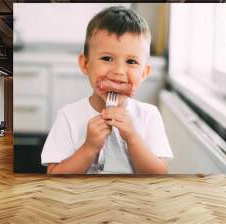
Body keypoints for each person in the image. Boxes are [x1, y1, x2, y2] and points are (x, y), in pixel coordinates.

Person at [41, 6, 173, 174]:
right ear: (85, 64)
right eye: (107, 58)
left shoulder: (149, 115)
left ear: (144, 73)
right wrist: (89, 148)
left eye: (131, 61)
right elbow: (54, 175)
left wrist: (133, 139)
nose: (118, 71)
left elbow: (159, 175)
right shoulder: (68, 116)